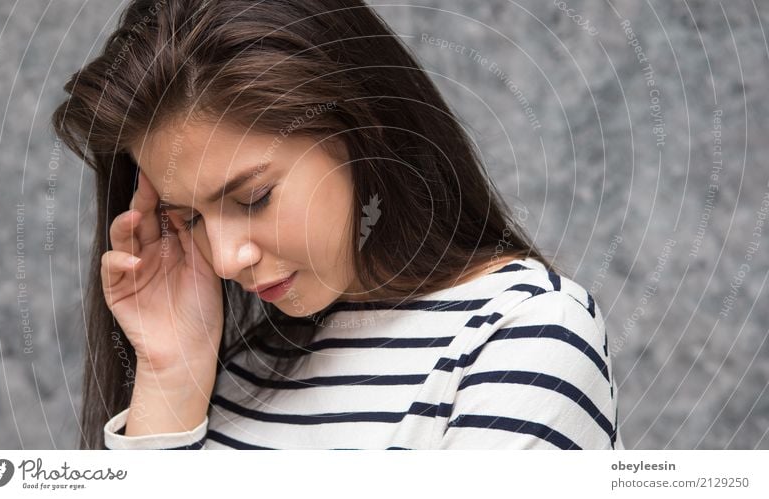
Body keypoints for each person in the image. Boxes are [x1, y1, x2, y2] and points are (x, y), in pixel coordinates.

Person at [51, 0, 622, 450]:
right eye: (190, 218)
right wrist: (170, 377)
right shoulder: (234, 365)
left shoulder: (523, 338)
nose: (225, 260)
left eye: (254, 198)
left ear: (361, 135)